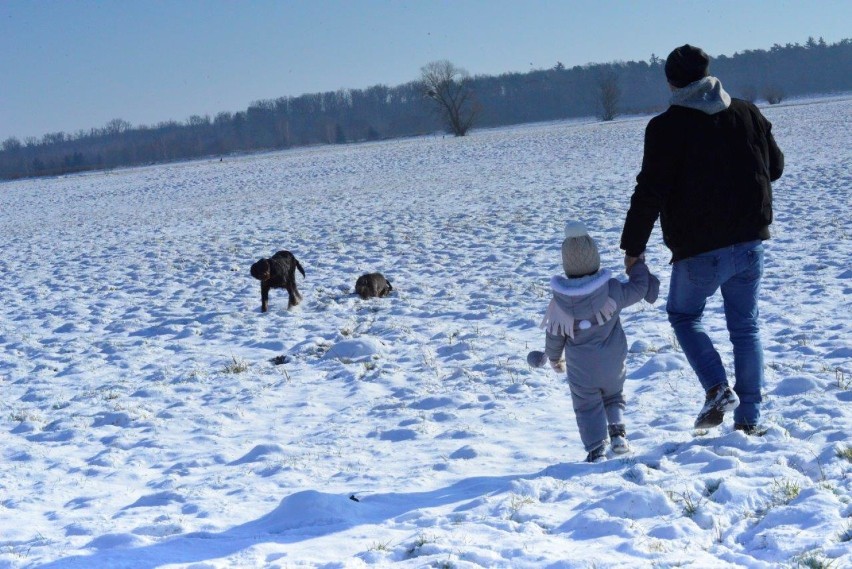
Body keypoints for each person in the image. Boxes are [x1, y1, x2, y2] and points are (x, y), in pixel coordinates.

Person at [620, 44, 784, 434]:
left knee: (683, 316)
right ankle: (749, 418)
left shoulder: (665, 127)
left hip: (698, 251)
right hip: (749, 244)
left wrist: (633, 248)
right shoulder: (747, 112)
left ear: (672, 82)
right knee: (745, 328)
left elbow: (650, 191)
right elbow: (774, 168)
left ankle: (716, 388)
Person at [528, 221, 658, 462]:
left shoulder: (561, 303)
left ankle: (597, 449)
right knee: (614, 395)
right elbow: (639, 289)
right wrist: (638, 265)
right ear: (595, 258)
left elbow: (554, 335)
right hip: (612, 362)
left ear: (567, 265)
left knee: (587, 407)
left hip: (581, 370)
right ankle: (618, 434)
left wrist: (554, 358)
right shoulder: (612, 291)